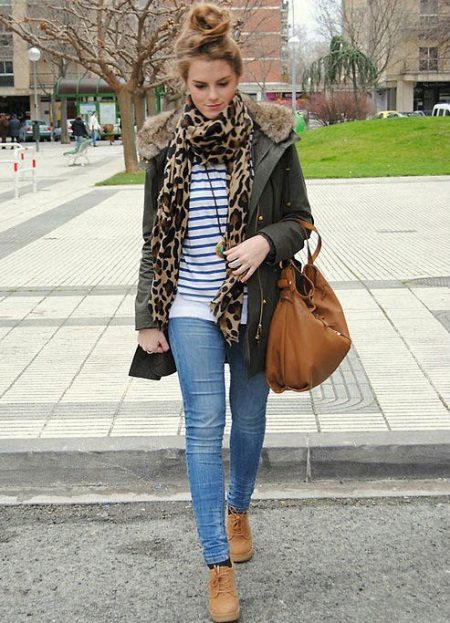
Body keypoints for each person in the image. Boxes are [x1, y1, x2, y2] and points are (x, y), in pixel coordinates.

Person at [133, 3, 313, 622]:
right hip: (188, 306)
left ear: (238, 78)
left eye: (223, 83)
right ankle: (217, 563)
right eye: (200, 85)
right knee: (204, 424)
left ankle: (239, 508)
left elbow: (301, 220)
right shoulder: (164, 147)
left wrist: (264, 242)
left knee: (250, 418)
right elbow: (154, 239)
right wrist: (147, 315)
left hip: (254, 305)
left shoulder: (272, 140)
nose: (212, 96)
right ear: (183, 82)